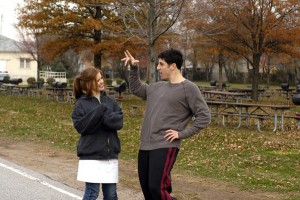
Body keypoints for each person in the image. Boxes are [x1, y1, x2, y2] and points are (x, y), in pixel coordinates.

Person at [122, 49, 211, 200]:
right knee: (148, 192)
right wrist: (134, 68)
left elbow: (204, 116)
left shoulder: (189, 88)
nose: (158, 67)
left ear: (173, 66)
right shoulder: (157, 87)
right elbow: (136, 89)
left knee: (157, 189)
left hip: (165, 145)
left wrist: (181, 134)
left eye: (161, 64)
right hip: (145, 145)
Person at [71, 67, 123, 200]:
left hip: (110, 156)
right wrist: (100, 111)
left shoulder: (111, 101)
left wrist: (101, 117)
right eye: (97, 80)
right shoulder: (81, 104)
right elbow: (82, 127)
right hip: (90, 156)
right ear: (88, 83)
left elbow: (118, 122)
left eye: (101, 78)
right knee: (92, 193)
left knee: (111, 195)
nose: (101, 82)